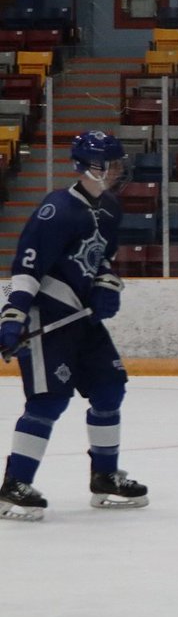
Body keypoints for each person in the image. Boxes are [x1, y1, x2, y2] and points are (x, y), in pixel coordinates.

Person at [0, 131, 147, 521]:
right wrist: (14, 315)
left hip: (84, 320)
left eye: (118, 162)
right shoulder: (57, 209)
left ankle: (105, 477)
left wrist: (106, 285)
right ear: (85, 167)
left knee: (110, 388)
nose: (116, 170)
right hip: (49, 316)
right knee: (48, 401)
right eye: (109, 163)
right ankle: (14, 484)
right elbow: (27, 268)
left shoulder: (111, 209)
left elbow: (103, 260)